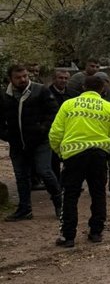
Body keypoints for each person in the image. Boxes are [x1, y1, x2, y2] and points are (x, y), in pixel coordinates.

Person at [49, 75, 110, 247]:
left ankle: (68, 236)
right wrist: (106, 148)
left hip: (73, 156)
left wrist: (60, 152)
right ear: (103, 88)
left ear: (83, 87)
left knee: (70, 195)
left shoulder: (68, 105)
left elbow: (55, 133)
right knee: (98, 194)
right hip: (98, 156)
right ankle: (96, 232)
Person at [0, 64, 63, 221]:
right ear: (11, 79)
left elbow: (54, 112)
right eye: (18, 77)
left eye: (25, 76)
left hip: (40, 141)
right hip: (17, 143)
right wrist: (5, 134)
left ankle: (59, 203)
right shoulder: (4, 95)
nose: (23, 80)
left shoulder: (40, 90)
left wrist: (42, 129)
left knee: (44, 171)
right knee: (21, 176)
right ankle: (25, 209)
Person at [47, 69, 74, 183]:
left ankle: (69, 182)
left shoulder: (73, 94)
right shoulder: (46, 93)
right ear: (54, 79)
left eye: (66, 78)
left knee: (70, 158)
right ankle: (56, 184)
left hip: (70, 132)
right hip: (53, 131)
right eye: (60, 78)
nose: (63, 80)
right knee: (54, 160)